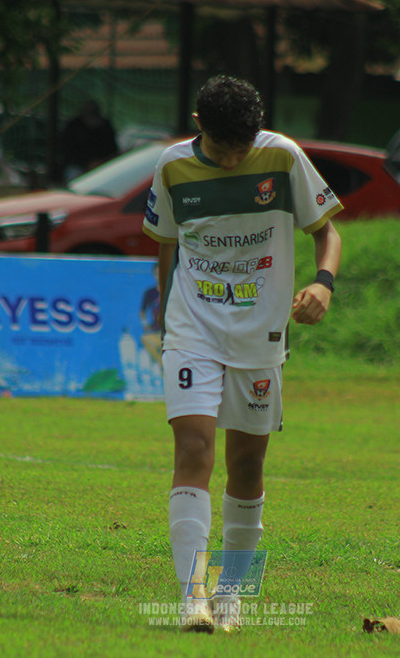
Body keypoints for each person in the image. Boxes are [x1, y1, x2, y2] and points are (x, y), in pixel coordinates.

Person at [141, 75, 342, 633]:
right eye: (224, 148)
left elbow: (328, 233)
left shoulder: (282, 157)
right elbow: (167, 247)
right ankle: (192, 598)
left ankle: (232, 594)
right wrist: (166, 319)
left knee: (247, 465)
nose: (233, 159)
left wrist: (323, 283)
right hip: (193, 329)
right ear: (199, 126)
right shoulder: (172, 167)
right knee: (194, 449)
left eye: (242, 148)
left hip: (261, 335)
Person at [61, 99, 119, 182]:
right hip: (78, 167)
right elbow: (68, 152)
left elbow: (113, 150)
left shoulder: (105, 126)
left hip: (103, 166)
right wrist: (87, 164)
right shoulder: (74, 126)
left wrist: (100, 162)